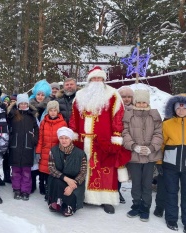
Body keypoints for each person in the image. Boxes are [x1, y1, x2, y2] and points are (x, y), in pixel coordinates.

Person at [69, 66, 131, 214]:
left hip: (103, 142)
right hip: (83, 141)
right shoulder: (80, 95)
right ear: (90, 80)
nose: (97, 81)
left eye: (100, 78)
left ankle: (106, 199)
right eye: (94, 78)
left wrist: (116, 139)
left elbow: (118, 117)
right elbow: (74, 118)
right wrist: (74, 136)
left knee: (105, 169)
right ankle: (83, 195)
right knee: (82, 168)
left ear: (103, 79)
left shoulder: (112, 94)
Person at [122, 89, 163, 222]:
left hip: (150, 156)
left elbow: (158, 133)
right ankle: (136, 204)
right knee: (136, 183)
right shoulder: (129, 115)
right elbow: (125, 133)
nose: (141, 104)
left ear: (147, 102)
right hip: (134, 155)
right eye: (138, 102)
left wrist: (151, 147)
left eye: (143, 102)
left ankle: (145, 207)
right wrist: (134, 146)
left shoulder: (154, 115)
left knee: (146, 183)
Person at [47, 127, 87, 217]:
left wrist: (72, 185)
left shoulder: (80, 153)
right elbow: (51, 168)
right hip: (60, 178)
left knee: (71, 191)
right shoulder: (53, 151)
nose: (64, 140)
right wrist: (65, 179)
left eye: (66, 138)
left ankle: (69, 206)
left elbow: (83, 172)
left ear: (70, 139)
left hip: (75, 181)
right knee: (57, 182)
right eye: (61, 138)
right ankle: (56, 202)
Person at [161, 93, 186, 232]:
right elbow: (162, 144)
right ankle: (171, 219)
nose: (181, 111)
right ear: (174, 109)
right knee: (171, 193)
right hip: (170, 165)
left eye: (184, 108)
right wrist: (159, 162)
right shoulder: (167, 124)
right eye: (178, 108)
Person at [8, 93, 39, 201]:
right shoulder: (13, 115)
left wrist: (33, 140)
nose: (23, 105)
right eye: (21, 103)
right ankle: (16, 189)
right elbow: (7, 129)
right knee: (16, 171)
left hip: (27, 147)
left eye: (25, 103)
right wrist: (10, 139)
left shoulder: (31, 116)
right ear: (18, 104)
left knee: (26, 172)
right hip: (15, 147)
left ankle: (25, 191)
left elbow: (37, 129)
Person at [36, 101, 67, 198]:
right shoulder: (43, 122)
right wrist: (38, 151)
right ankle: (42, 187)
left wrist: (63, 151)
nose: (53, 112)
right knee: (42, 171)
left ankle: (49, 189)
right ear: (47, 111)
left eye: (55, 110)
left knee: (52, 171)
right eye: (51, 110)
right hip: (45, 150)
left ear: (57, 111)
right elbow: (40, 137)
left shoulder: (63, 123)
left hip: (56, 151)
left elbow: (64, 139)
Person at [117, 85, 134, 204]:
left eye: (129, 97)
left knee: (125, 169)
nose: (126, 99)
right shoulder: (116, 109)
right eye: (124, 96)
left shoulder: (136, 109)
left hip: (131, 142)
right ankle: (116, 190)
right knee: (116, 168)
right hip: (117, 142)